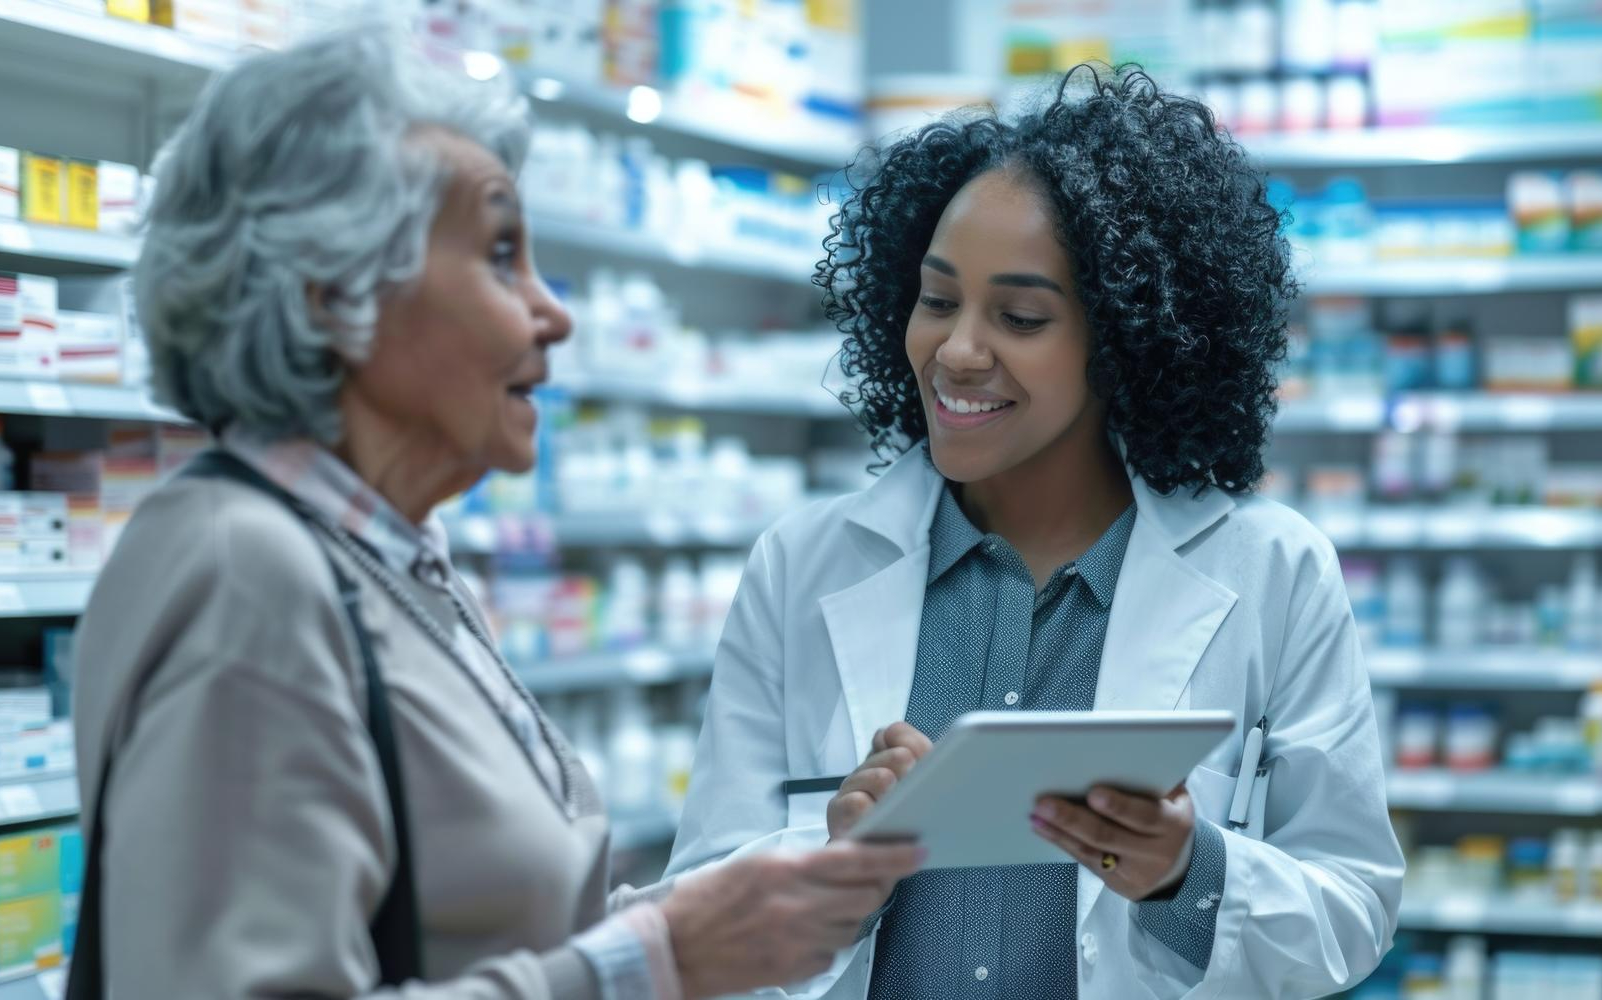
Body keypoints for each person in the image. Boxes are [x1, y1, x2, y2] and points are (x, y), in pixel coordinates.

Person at [70, 29, 920, 1000]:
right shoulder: (246, 574)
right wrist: (658, 960)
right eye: (502, 256)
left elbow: (490, 932)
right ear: (335, 295)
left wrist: (740, 913)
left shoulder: (390, 564)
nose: (552, 314)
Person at [665, 65, 1402, 999]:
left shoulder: (1273, 573)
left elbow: (1354, 906)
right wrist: (828, 880)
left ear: (1126, 337)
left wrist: (1188, 873)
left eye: (1019, 317)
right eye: (937, 301)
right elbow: (696, 907)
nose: (957, 351)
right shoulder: (800, 568)